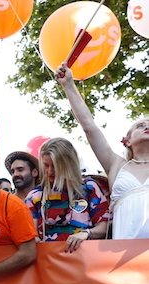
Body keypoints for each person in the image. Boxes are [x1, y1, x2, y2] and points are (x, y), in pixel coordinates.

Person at [57, 62, 149, 241]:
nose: (147, 127)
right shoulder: (117, 165)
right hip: (126, 252)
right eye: (140, 125)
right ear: (127, 140)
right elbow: (89, 127)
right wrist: (69, 85)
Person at [25, 138, 109, 252]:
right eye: (46, 165)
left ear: (69, 164)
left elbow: (104, 227)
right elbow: (30, 235)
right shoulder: (35, 196)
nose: (50, 171)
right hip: (49, 262)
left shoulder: (89, 188)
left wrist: (86, 233)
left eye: (55, 166)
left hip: (85, 260)